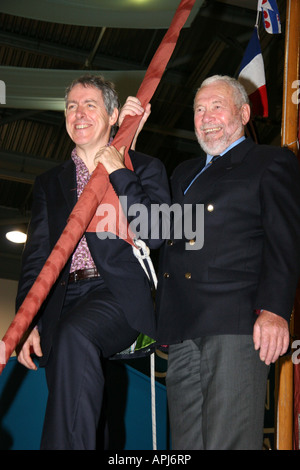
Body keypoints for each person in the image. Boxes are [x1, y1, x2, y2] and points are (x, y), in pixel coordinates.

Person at [16, 74, 170, 450]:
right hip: (61, 301)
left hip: (116, 292)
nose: (78, 113)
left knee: (75, 335)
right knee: (76, 400)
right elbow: (36, 255)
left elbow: (155, 232)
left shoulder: (144, 167)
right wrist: (26, 319)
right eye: (71, 106)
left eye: (90, 105)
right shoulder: (50, 182)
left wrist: (119, 170)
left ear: (114, 114)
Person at [155, 75, 300, 450]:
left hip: (236, 323)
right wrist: (128, 152)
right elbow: (156, 233)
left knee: (228, 442)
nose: (206, 116)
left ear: (243, 112)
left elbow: (285, 241)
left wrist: (274, 309)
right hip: (183, 330)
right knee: (185, 447)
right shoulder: (182, 174)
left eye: (216, 106)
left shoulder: (269, 161)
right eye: (199, 109)